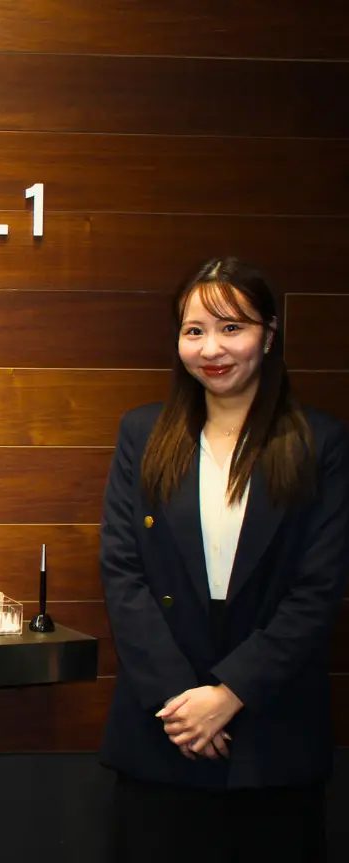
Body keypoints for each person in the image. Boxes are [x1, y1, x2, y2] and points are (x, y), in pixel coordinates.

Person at [98, 256, 348, 862]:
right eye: (195, 330)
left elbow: (318, 590)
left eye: (232, 327)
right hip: (164, 728)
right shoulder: (142, 434)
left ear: (269, 333)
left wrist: (231, 693)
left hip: (272, 730)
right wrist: (182, 703)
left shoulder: (320, 443)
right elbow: (123, 572)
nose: (212, 348)